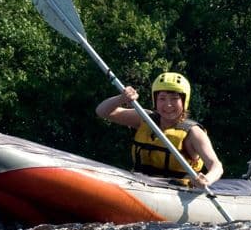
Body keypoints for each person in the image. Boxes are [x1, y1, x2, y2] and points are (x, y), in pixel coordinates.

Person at [95, 72, 223, 189]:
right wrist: (122, 98)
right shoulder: (144, 118)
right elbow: (102, 111)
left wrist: (207, 179)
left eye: (174, 98)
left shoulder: (193, 133)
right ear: (155, 100)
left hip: (177, 191)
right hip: (139, 185)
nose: (168, 104)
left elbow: (216, 166)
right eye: (162, 98)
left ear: (184, 101)